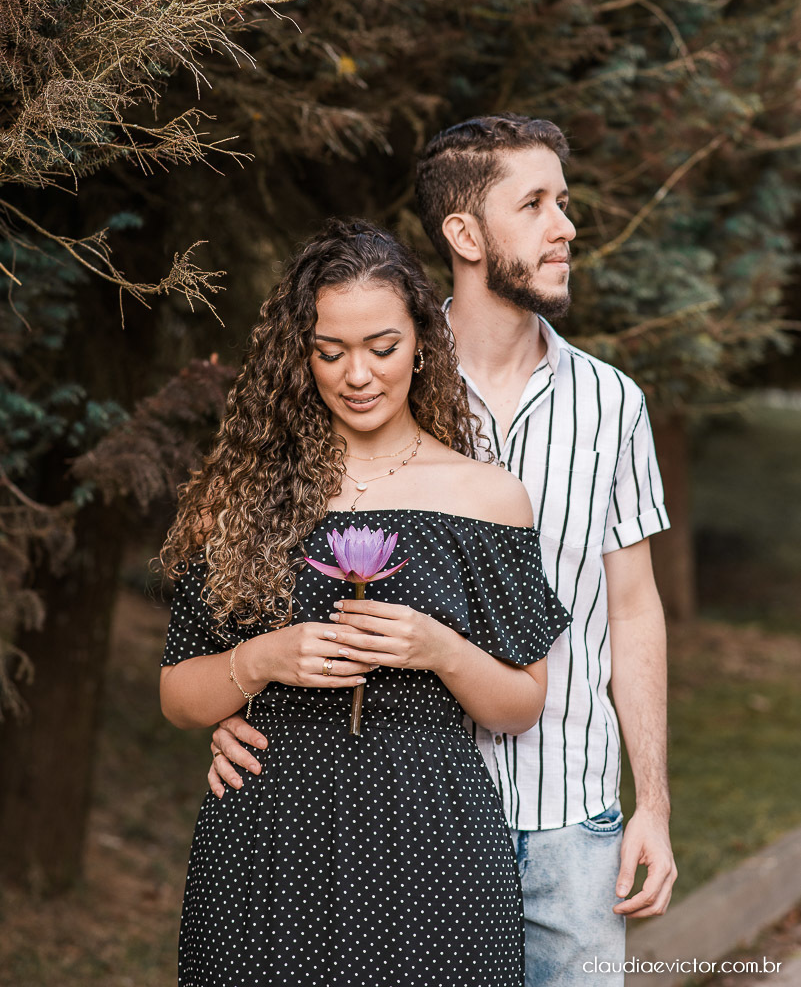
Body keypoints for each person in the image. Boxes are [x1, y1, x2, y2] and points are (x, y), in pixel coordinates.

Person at [208, 117, 678, 987]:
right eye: (534, 204)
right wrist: (237, 703)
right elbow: (266, 566)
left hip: (568, 821)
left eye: (562, 202)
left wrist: (650, 801)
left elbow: (632, 608)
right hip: (390, 820)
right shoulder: (377, 373)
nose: (564, 226)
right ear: (463, 234)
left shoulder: (612, 405)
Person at [160, 218, 570, 987]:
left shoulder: (488, 498)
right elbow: (179, 695)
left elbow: (519, 705)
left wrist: (437, 648)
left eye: (381, 347)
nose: (357, 374)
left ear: (421, 341)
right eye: (330, 351)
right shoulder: (243, 495)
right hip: (268, 842)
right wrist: (260, 660)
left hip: (431, 845)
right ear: (300, 355)